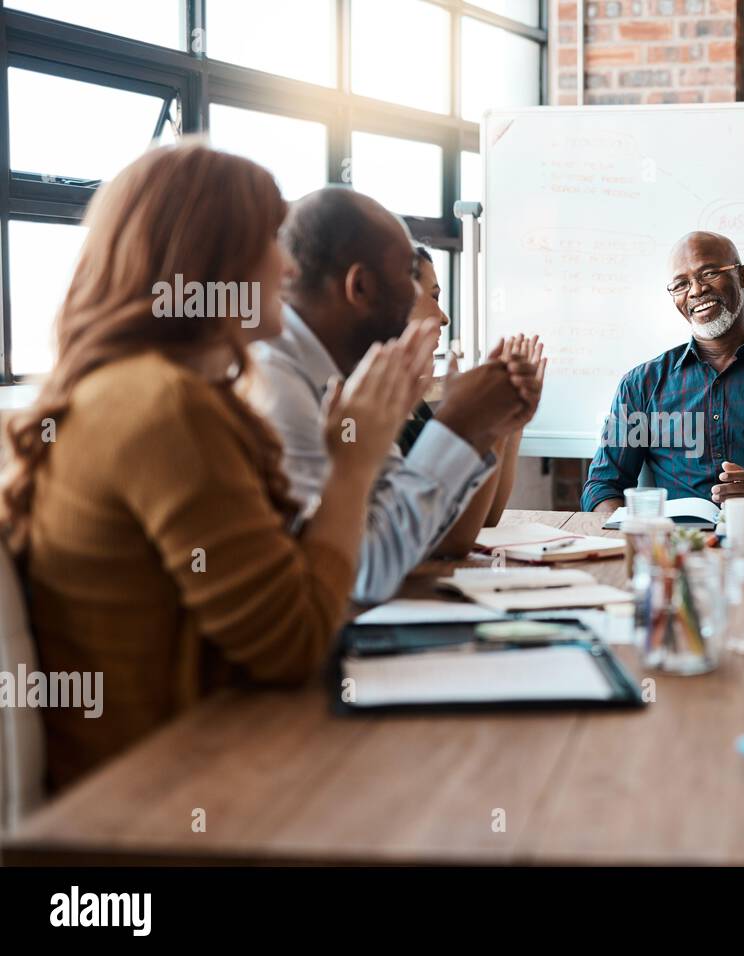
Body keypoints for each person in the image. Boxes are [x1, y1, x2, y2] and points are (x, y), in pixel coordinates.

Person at [0, 142, 434, 790]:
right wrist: (353, 466)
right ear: (212, 263)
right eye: (269, 241)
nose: (287, 267)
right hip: (166, 797)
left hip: (187, 763)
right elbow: (295, 643)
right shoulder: (165, 407)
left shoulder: (133, 391)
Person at [250, 188, 541, 601]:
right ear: (361, 286)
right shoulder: (276, 385)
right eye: (408, 275)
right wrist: (458, 426)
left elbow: (410, 535)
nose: (425, 304)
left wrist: (480, 427)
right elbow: (366, 571)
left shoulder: (348, 377)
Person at [581, 230, 744, 514]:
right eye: (681, 284)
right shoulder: (641, 385)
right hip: (676, 548)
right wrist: (633, 539)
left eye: (709, 273)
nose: (696, 290)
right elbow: (602, 487)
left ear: (743, 276)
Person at [398, 244, 543, 557]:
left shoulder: (416, 403)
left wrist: (505, 424)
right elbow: (447, 538)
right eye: (434, 297)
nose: (445, 318)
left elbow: (482, 520)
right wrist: (473, 423)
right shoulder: (354, 413)